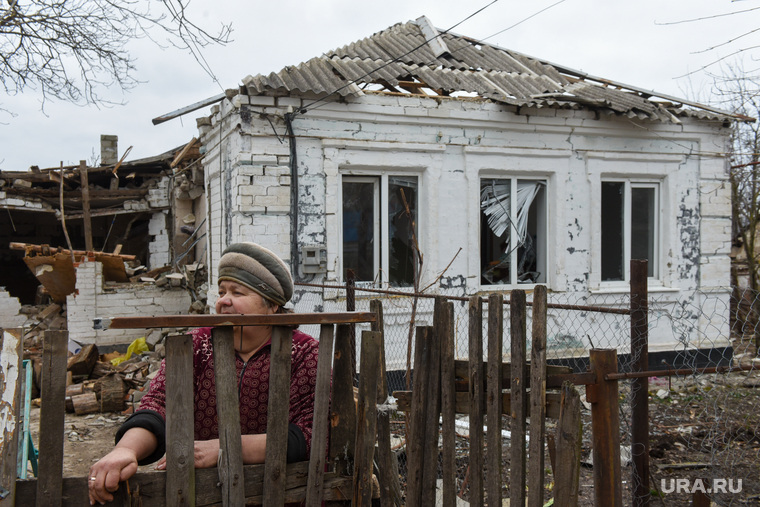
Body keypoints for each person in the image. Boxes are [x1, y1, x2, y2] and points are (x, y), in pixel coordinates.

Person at [88, 242, 320, 505]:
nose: (223, 301)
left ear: (273, 305)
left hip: (282, 493)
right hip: (204, 493)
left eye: (238, 292)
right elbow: (160, 404)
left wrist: (226, 449)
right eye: (221, 291)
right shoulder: (197, 344)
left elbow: (311, 435)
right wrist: (126, 449)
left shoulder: (304, 354)